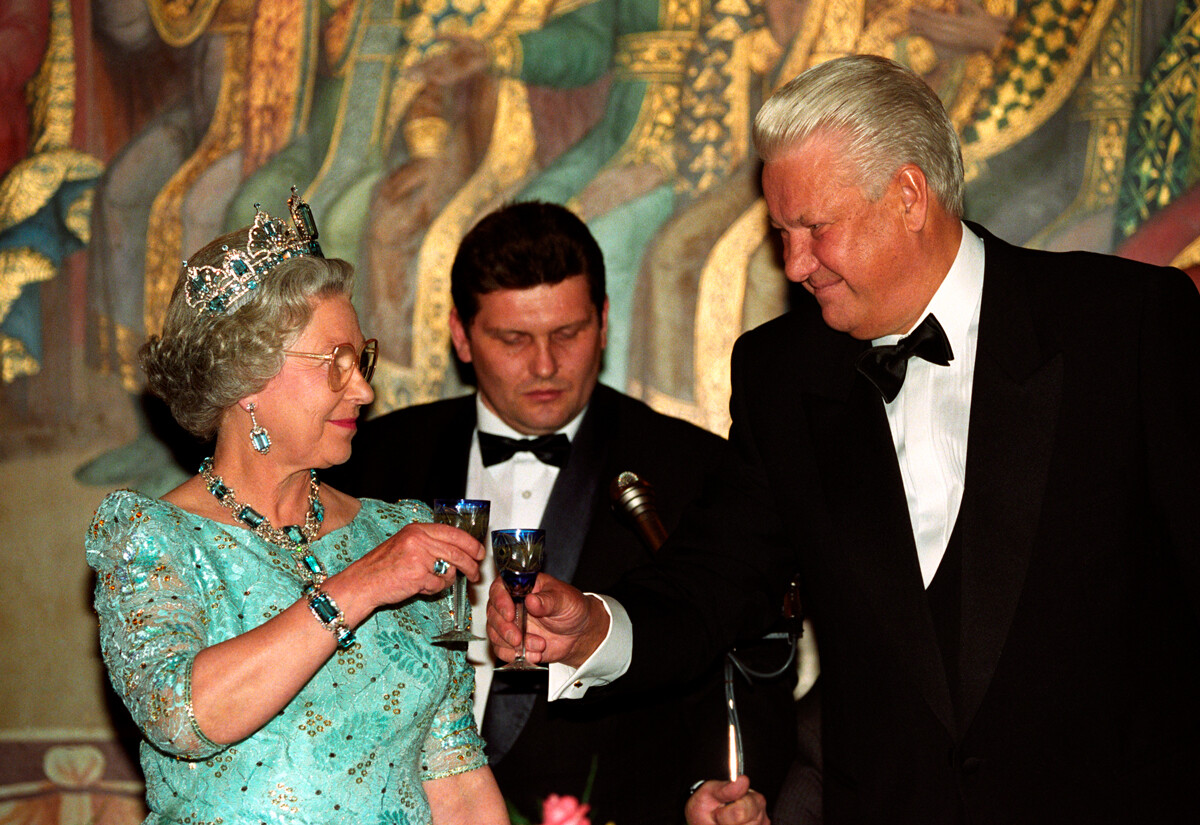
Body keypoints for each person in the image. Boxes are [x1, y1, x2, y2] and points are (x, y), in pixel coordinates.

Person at [488, 55, 1200, 825]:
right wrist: (595, 625)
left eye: (814, 229)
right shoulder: (780, 373)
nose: (793, 265)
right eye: (780, 234)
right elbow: (712, 581)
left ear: (907, 195)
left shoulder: (1122, 324)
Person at [326, 200, 797, 824]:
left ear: (603, 323)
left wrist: (716, 790)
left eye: (567, 334)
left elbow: (752, 662)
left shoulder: (696, 468)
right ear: (462, 336)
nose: (544, 365)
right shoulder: (373, 462)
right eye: (514, 339)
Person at [85, 190, 508, 824]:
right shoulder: (152, 537)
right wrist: (360, 586)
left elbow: (458, 780)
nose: (363, 388)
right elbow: (180, 716)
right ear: (245, 377)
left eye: (359, 360)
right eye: (334, 363)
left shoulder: (397, 533)